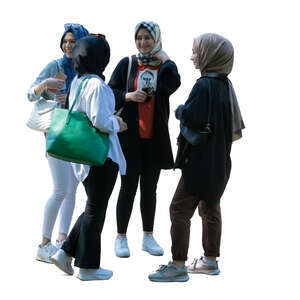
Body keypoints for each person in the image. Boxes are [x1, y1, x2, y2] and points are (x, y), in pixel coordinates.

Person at [148, 33, 245, 282]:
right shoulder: (225, 85)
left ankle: (178, 265)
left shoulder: (204, 85)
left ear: (210, 55)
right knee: (210, 208)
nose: (193, 56)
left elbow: (191, 115)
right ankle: (210, 261)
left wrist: (180, 110)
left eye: (196, 51)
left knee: (178, 210)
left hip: (199, 161)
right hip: (220, 161)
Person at [51, 35, 127, 281]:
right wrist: (118, 122)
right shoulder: (97, 86)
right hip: (100, 158)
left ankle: (66, 251)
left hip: (83, 157)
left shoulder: (79, 82)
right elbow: (101, 121)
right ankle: (88, 268)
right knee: (96, 211)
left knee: (92, 206)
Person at [108, 21, 181, 257]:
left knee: (150, 189)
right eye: (139, 37)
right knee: (128, 187)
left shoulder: (164, 68)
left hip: (154, 138)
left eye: (148, 37)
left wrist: (166, 59)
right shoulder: (127, 64)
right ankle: (121, 237)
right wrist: (128, 96)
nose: (142, 42)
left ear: (157, 39)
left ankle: (148, 237)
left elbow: (174, 84)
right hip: (130, 137)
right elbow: (109, 94)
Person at [27, 23, 89, 263]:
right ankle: (43, 244)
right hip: (56, 131)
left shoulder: (84, 70)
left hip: (76, 133)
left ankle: (62, 241)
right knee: (60, 189)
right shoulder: (56, 66)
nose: (68, 45)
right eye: (66, 41)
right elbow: (30, 94)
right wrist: (46, 87)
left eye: (73, 41)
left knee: (72, 190)